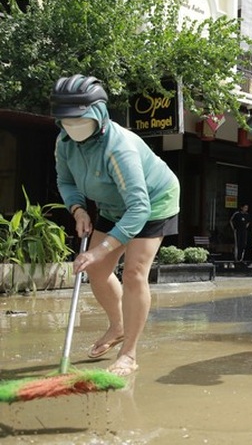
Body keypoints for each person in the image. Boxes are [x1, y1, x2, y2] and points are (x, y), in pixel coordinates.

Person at [52, 74, 180, 376]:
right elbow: (65, 179)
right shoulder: (65, 143)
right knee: (96, 270)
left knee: (134, 273)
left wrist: (102, 249)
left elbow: (139, 208)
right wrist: (78, 209)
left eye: (80, 119)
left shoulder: (118, 148)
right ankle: (118, 325)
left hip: (152, 203)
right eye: (66, 120)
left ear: (98, 113)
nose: (73, 126)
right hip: (112, 204)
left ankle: (129, 354)